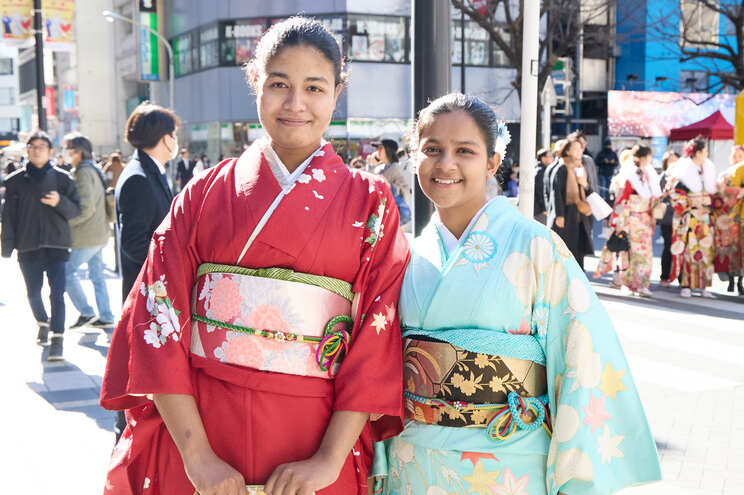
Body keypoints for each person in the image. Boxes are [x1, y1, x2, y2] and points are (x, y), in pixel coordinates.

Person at [99, 17, 409, 494]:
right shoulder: (203, 194)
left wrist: (328, 460)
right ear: (256, 84)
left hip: (316, 434)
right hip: (201, 427)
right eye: (279, 84)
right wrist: (197, 456)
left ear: (336, 92)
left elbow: (376, 339)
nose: (295, 103)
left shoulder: (371, 203)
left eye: (314, 87)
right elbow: (157, 318)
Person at [373, 93, 661, 495]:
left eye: (465, 151)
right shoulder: (406, 254)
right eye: (432, 149)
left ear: (492, 162)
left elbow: (580, 356)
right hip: (416, 459)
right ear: (414, 156)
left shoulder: (535, 245)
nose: (446, 164)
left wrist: (574, 472)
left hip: (509, 460)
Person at [111, 102, 177, 440]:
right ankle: (126, 430)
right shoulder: (139, 177)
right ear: (165, 138)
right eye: (174, 135)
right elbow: (134, 244)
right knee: (138, 365)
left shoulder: (148, 171)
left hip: (151, 286)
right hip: (146, 287)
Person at [1, 131, 81, 360]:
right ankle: (42, 322)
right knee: (33, 293)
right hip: (27, 246)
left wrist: (60, 202)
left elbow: (76, 210)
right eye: (33, 146)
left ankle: (57, 338)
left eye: (41, 146)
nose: (37, 150)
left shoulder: (63, 178)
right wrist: (6, 248)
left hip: (57, 244)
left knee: (57, 293)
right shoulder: (15, 180)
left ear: (50, 151)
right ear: (27, 151)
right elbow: (8, 217)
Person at [62, 132, 115, 329]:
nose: (66, 153)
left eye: (68, 149)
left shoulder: (82, 172)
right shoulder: (92, 168)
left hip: (87, 235)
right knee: (97, 276)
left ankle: (87, 312)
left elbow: (86, 208)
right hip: (99, 231)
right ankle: (106, 314)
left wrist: (67, 223)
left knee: (67, 273)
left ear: (78, 152)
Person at [594, 145, 661, 297]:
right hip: (630, 217)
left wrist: (654, 215)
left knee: (645, 253)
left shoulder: (649, 172)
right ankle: (627, 284)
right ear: (643, 157)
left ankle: (643, 284)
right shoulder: (629, 173)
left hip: (644, 217)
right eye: (649, 156)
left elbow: (654, 196)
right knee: (628, 252)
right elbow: (621, 199)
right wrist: (617, 221)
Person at [668, 136, 717, 298]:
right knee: (689, 250)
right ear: (697, 153)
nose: (706, 154)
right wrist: (691, 205)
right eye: (704, 151)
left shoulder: (707, 167)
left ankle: (704, 286)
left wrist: (708, 207)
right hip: (690, 216)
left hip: (704, 217)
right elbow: (674, 193)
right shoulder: (683, 168)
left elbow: (712, 191)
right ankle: (686, 284)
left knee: (706, 249)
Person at [545, 136, 594, 268]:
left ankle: (577, 277)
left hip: (579, 214)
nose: (580, 151)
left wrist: (584, 184)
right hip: (566, 214)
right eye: (576, 149)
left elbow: (588, 190)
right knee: (564, 249)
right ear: (567, 151)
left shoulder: (580, 167)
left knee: (578, 250)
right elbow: (556, 193)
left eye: (580, 148)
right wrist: (559, 215)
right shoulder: (561, 167)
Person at [713, 145, 744, 295]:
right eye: (734, 155)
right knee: (729, 248)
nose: (736, 158)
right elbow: (719, 192)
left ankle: (740, 282)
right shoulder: (725, 174)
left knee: (741, 249)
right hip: (726, 217)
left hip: (741, 215)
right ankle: (731, 279)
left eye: (740, 156)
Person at [372, 139, 412, 228]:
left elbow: (406, 189)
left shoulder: (396, 167)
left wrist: (391, 187)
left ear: (387, 150)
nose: (377, 151)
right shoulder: (378, 168)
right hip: (380, 212)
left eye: (380, 148)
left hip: (392, 212)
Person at [659, 151, 679, 287]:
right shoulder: (663, 176)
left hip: (680, 216)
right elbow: (658, 194)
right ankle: (664, 276)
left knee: (680, 248)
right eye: (670, 160)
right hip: (667, 216)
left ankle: (681, 278)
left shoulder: (682, 176)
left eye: (675, 160)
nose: (673, 162)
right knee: (668, 246)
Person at [533, 148, 552, 224]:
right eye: (550, 156)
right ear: (543, 158)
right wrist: (545, 208)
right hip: (539, 210)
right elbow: (541, 191)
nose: (552, 159)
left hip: (536, 208)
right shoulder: (541, 171)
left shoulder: (537, 168)